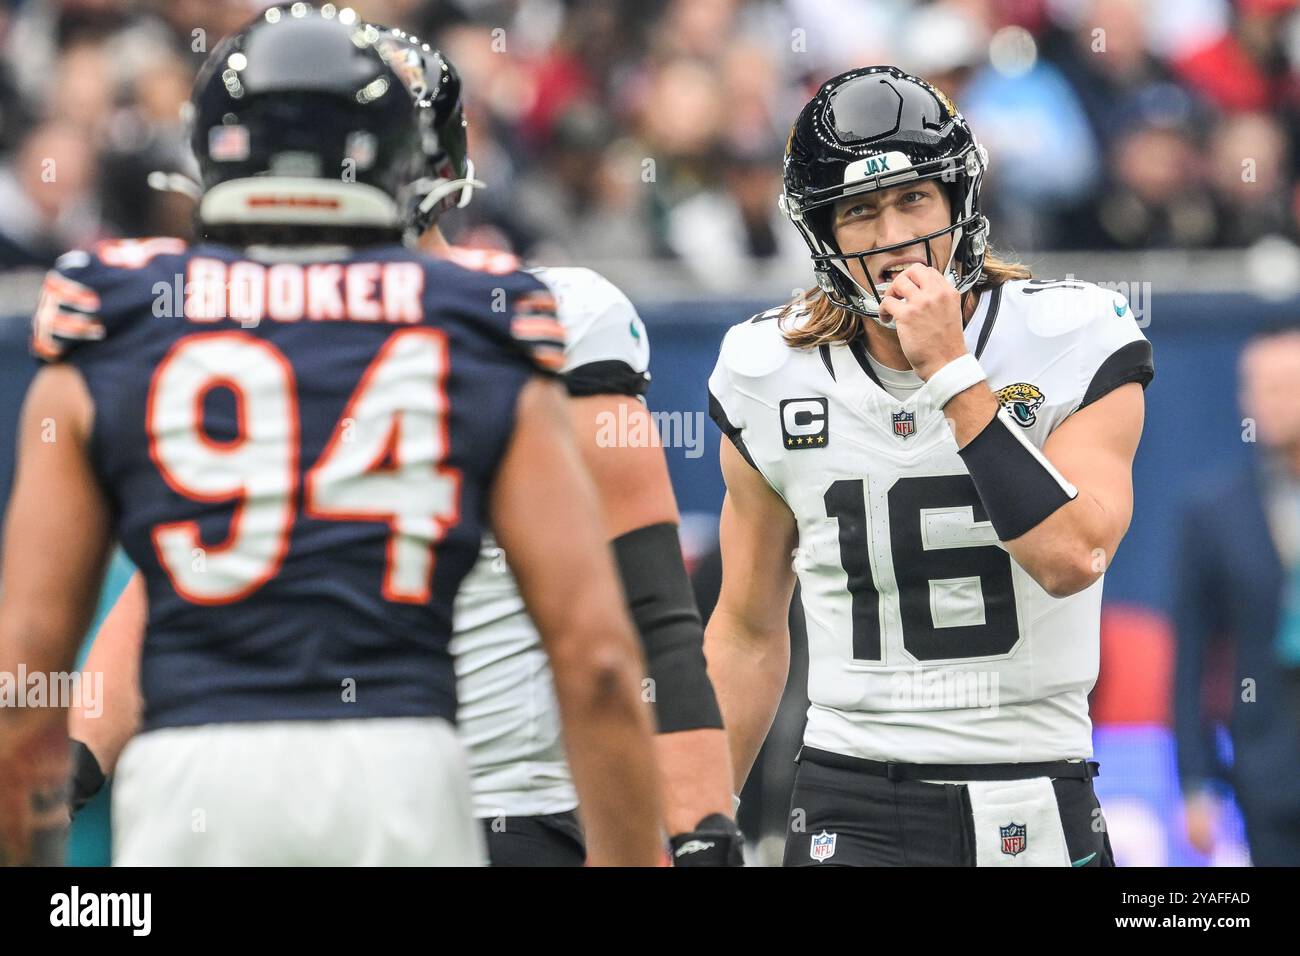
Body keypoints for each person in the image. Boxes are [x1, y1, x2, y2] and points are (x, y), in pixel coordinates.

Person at [0, 5, 661, 867]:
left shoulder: (121, 315)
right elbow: (599, 659)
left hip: (196, 775)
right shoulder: (479, 320)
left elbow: (27, 664)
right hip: (401, 773)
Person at [705, 66, 1154, 866]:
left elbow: (1071, 556)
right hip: (854, 790)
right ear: (823, 233)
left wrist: (952, 373)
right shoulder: (767, 371)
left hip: (1035, 778)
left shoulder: (1072, 335)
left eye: (913, 199)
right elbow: (745, 632)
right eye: (861, 211)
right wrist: (697, 820)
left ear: (958, 202)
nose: (892, 238)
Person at [1173, 326, 1300, 866]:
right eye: (1253, 386)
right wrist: (1196, 779)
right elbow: (1193, 656)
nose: (1262, 401)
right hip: (1267, 772)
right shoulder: (1215, 511)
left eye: (1281, 386)